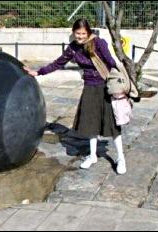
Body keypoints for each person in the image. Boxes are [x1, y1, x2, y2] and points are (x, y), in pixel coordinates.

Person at [23, 19, 126, 175]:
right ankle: (92, 156)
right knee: (91, 122)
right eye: (78, 33)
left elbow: (111, 62)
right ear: (73, 32)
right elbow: (58, 63)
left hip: (105, 87)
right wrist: (39, 72)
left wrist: (119, 85)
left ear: (89, 32)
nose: (80, 37)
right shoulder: (72, 48)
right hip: (89, 87)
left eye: (83, 33)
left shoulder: (99, 43)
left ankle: (121, 158)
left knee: (112, 123)